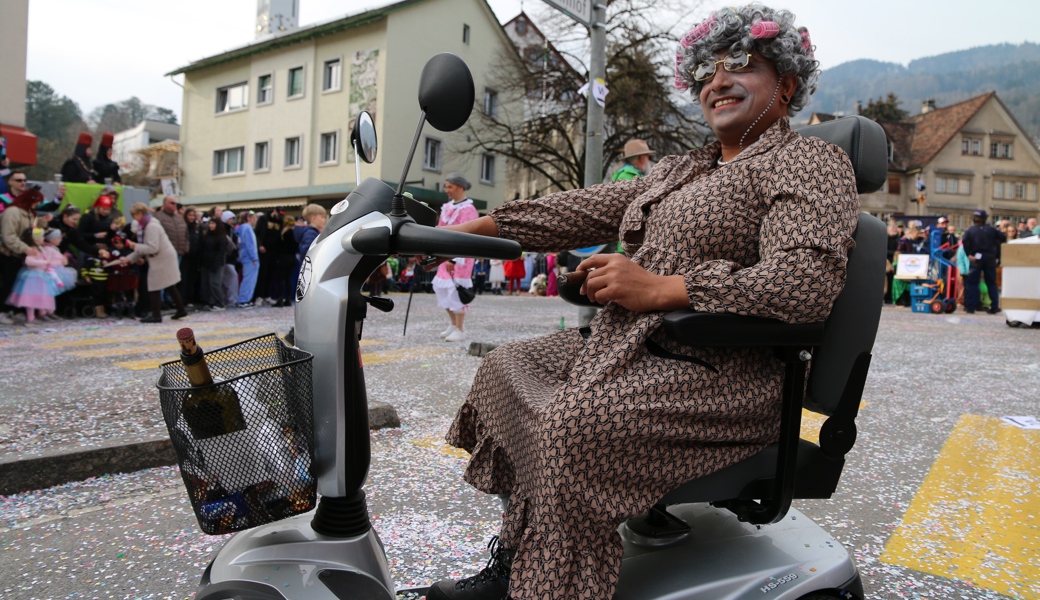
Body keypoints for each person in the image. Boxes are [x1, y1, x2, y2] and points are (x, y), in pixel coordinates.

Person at [423, 6, 857, 600]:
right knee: (506, 370)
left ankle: (554, 588)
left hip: (725, 375)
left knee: (570, 427)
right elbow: (579, 209)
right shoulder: (679, 169)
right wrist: (464, 231)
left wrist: (661, 288)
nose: (718, 81)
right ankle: (521, 562)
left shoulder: (806, 161)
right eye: (707, 71)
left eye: (742, 66)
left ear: (785, 82)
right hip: (630, 351)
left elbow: (803, 281)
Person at [120, 202, 188, 323]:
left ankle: (156, 315)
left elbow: (152, 247)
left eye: (134, 215)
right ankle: (180, 310)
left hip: (162, 258)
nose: (134, 218)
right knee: (169, 284)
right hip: (162, 257)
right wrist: (129, 258)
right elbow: (146, 247)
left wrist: (134, 245)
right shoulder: (148, 224)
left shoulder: (151, 226)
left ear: (139, 213)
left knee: (154, 285)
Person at [433, 173, 480, 343]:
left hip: (460, 257)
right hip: (444, 255)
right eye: (446, 187)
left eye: (450, 187)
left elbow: (466, 236)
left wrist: (454, 258)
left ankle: (460, 328)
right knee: (442, 289)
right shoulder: (447, 207)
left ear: (460, 187)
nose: (447, 190)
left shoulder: (468, 209)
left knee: (456, 291)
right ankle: (453, 324)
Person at [0, 185, 45, 325]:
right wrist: (24, 248)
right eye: (36, 202)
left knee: (17, 284)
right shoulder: (12, 212)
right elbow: (8, 236)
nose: (37, 205)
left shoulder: (30, 213)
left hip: (19, 255)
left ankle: (12, 310)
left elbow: (30, 231)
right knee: (6, 283)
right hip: (7, 253)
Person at [6, 228, 67, 323]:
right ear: (36, 239)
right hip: (34, 276)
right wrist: (44, 262)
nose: (44, 238)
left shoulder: (41, 248)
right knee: (31, 298)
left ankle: (42, 313)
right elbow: (28, 261)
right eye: (42, 237)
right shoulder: (34, 249)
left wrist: (51, 263)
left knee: (40, 296)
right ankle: (31, 317)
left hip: (42, 275)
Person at [961, 209, 1006, 314]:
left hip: (976, 258)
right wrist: (996, 252)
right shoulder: (991, 230)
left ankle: (970, 307)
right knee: (991, 282)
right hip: (990, 258)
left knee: (972, 282)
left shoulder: (971, 230)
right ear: (985, 219)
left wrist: (969, 254)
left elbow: (964, 241)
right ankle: (995, 306)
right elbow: (1003, 238)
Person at [293, 203, 327, 296]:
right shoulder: (310, 233)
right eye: (322, 217)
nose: (324, 219)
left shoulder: (312, 232)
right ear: (313, 219)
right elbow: (307, 250)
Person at [199, 218, 229, 311]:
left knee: (214, 283)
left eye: (213, 223)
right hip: (206, 263)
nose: (211, 225)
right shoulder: (207, 236)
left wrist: (216, 264)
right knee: (206, 284)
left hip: (216, 264)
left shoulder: (221, 238)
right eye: (210, 223)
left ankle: (221, 302)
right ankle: (209, 301)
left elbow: (221, 253)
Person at [235, 210, 260, 308]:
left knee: (247, 278)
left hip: (244, 257)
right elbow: (250, 244)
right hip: (250, 258)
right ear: (249, 218)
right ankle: (243, 299)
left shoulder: (241, 228)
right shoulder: (247, 228)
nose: (256, 220)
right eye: (254, 218)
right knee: (249, 279)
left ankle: (245, 299)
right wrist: (254, 257)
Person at [182, 208, 203, 306]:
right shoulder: (183, 226)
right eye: (189, 215)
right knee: (184, 278)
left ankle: (190, 298)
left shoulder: (197, 228)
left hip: (195, 256)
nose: (191, 217)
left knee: (192, 278)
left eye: (193, 215)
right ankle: (183, 299)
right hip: (186, 256)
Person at [220, 210, 240, 308]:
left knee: (227, 280)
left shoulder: (231, 230)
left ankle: (228, 299)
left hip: (230, 259)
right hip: (226, 259)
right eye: (230, 219)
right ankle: (231, 299)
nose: (232, 221)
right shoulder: (223, 230)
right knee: (231, 278)